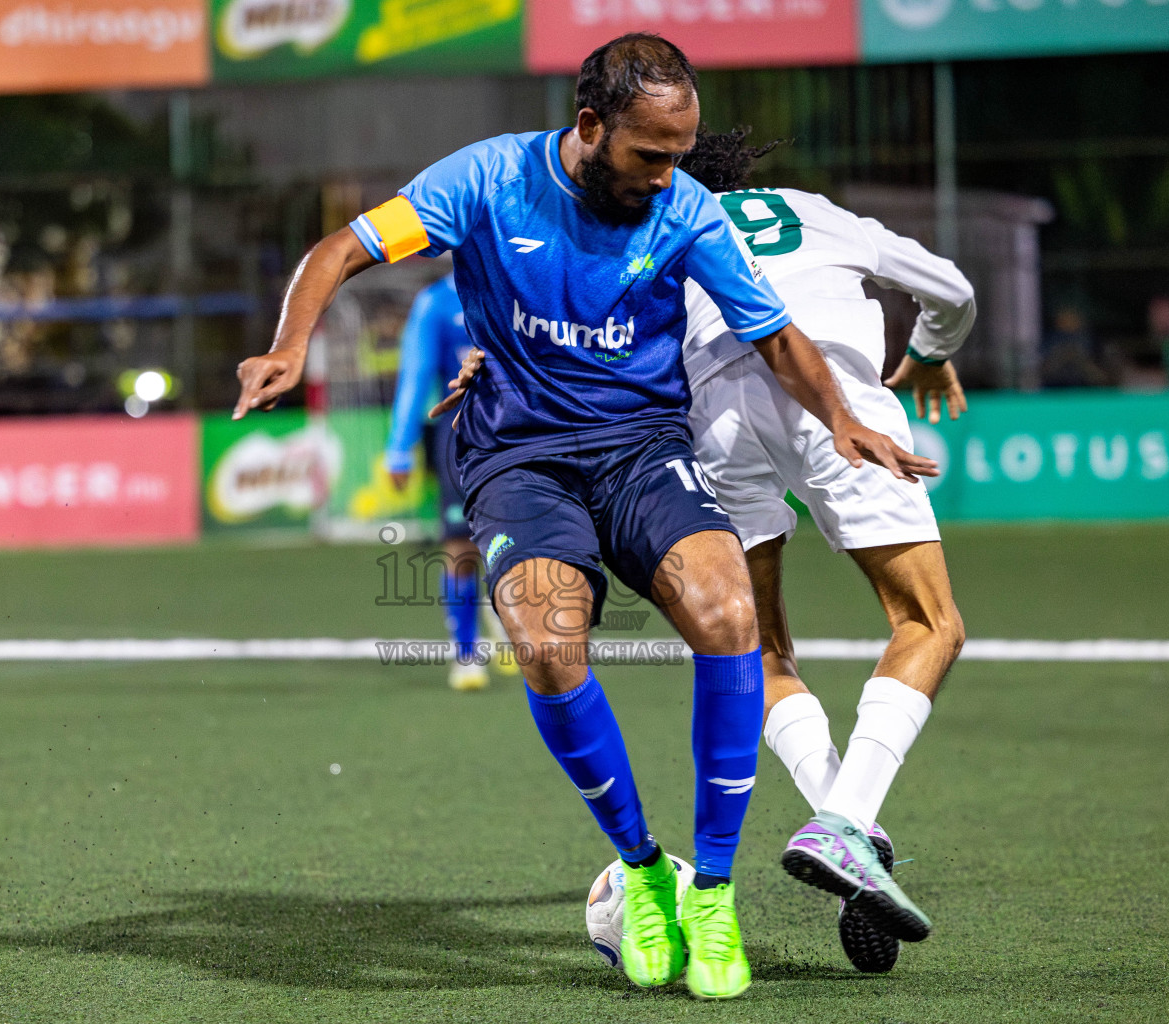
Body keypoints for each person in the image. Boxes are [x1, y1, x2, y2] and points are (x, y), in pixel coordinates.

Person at [234, 35, 934, 1000]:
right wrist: (290, 346)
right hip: (519, 459)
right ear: (591, 126)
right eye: (650, 153)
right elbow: (343, 249)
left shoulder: (683, 208)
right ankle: (645, 872)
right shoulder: (483, 178)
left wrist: (846, 418)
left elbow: (772, 333)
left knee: (730, 613)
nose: (668, 176)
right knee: (550, 641)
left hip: (643, 449)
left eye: (680, 154)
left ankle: (714, 896)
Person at [677, 127, 971, 969]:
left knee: (760, 649)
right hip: (834, 390)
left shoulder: (667, 229)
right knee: (929, 622)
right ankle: (845, 823)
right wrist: (928, 354)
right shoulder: (818, 212)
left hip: (715, 417)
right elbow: (951, 290)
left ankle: (853, 842)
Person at [384, 270, 499, 692]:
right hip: (459, 439)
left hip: (524, 435)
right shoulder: (435, 303)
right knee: (461, 547)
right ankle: (467, 654)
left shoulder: (522, 281)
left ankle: (505, 613)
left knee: (526, 543)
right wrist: (400, 446)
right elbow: (415, 375)